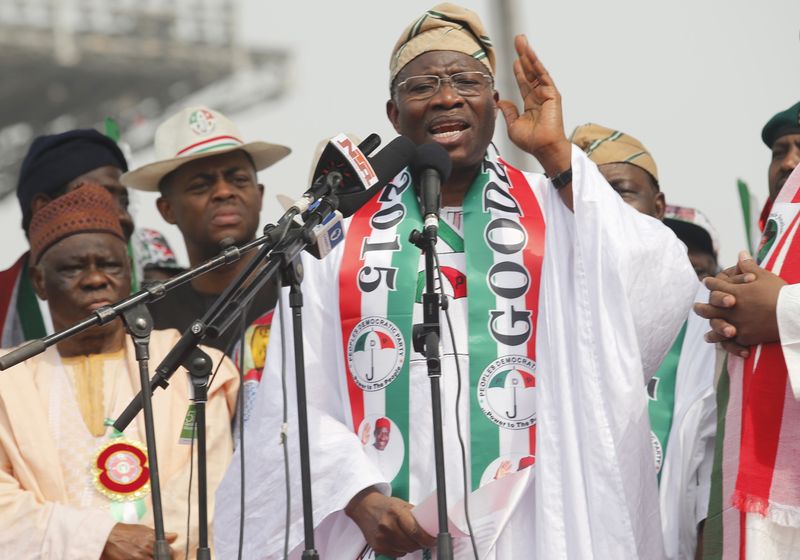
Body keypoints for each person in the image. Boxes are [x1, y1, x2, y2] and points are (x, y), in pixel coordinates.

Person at [215, 4, 697, 558]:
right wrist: (357, 497)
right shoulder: (342, 237)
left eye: (466, 80)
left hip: (534, 524)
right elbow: (291, 393)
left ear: (495, 103)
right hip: (385, 527)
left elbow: (659, 284)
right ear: (394, 115)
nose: (446, 97)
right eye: (423, 85)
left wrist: (556, 155)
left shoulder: (558, 208)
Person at [0, 184, 239, 558]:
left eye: (109, 265)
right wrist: (97, 541)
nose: (95, 279)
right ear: (39, 282)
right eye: (73, 268)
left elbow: (209, 481)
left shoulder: (190, 364)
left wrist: (149, 545)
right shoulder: (7, 380)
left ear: (129, 273)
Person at [573, 124, 717, 560]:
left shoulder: (708, 311)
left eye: (621, 191)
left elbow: (713, 470)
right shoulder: (544, 304)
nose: (606, 209)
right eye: (589, 193)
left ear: (658, 207)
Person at [122, 106, 290, 419]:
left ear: (259, 194)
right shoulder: (150, 316)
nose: (224, 192)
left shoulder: (299, 281)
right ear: (166, 210)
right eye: (201, 185)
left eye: (238, 180)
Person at [694, 126, 800, 557]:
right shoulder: (772, 243)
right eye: (780, 151)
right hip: (755, 503)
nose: (790, 163)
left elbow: (779, 309)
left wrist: (781, 308)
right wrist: (734, 319)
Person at [0, 129, 177, 347]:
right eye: (99, 198)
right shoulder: (5, 303)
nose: (123, 215)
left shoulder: (164, 291)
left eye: (125, 202)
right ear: (43, 208)